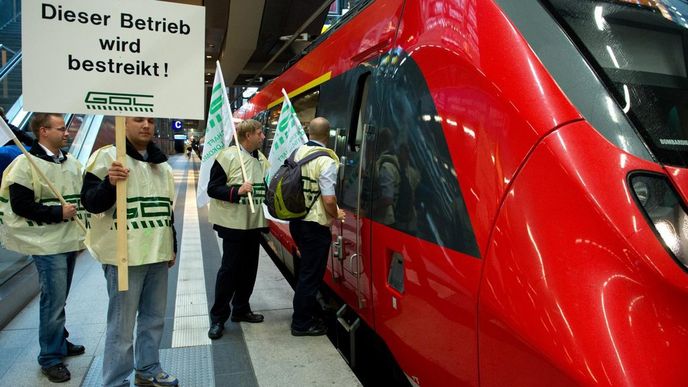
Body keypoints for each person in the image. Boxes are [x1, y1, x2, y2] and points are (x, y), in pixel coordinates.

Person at [80, 117, 178, 387]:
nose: (146, 125)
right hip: (123, 256)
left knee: (154, 318)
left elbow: (166, 209)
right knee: (121, 327)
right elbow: (90, 203)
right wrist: (109, 184)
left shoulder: (161, 165)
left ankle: (147, 368)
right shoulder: (106, 158)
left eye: (149, 121)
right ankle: (115, 380)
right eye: (138, 120)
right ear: (123, 124)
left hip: (157, 253)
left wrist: (172, 246)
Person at [0, 113, 85, 383]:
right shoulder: (25, 166)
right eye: (61, 129)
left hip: (69, 240)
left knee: (59, 296)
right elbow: (21, 205)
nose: (67, 133)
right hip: (46, 244)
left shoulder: (70, 163)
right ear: (43, 131)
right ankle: (50, 357)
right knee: (53, 299)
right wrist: (57, 212)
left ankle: (59, 341)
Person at [207, 119, 268, 340]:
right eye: (260, 133)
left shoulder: (260, 159)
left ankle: (241, 308)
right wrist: (237, 191)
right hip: (233, 225)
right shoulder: (227, 156)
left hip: (253, 224)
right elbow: (212, 189)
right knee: (229, 271)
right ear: (248, 135)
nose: (263, 136)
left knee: (249, 269)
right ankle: (218, 318)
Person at [289, 117, 345, 336]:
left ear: (309, 133)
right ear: (328, 135)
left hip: (297, 221)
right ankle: (301, 324)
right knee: (310, 276)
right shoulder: (327, 160)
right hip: (315, 226)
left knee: (306, 273)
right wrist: (337, 213)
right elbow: (329, 200)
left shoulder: (296, 152)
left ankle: (305, 314)